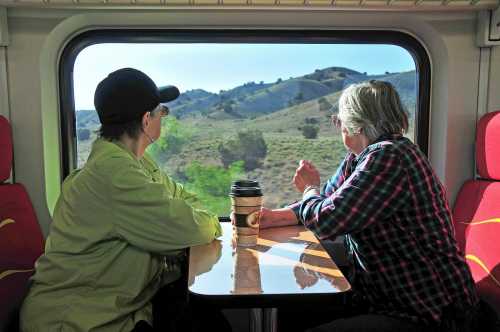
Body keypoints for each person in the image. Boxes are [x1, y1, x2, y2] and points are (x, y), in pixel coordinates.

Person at [259, 80, 482, 332]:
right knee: (294, 314)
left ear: (357, 124)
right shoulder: (357, 159)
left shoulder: (390, 156)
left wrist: (310, 188)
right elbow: (327, 202)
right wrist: (271, 218)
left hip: (430, 311)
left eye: (339, 120)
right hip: (386, 299)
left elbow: (327, 220)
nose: (339, 126)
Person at [20, 68, 228, 332]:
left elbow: (185, 201)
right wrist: (211, 221)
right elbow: (192, 227)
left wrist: (193, 215)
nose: (162, 117)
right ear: (146, 121)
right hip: (77, 321)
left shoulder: (136, 164)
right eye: (161, 111)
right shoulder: (115, 175)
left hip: (116, 308)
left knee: (207, 320)